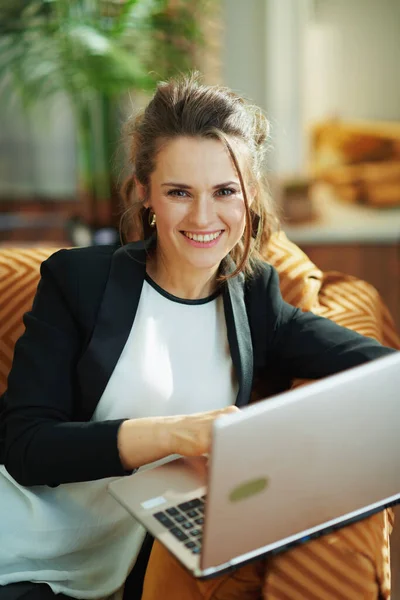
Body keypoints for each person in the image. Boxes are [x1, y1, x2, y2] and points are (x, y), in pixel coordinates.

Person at [0, 73, 396, 600]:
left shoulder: (257, 298)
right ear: (146, 193)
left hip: (118, 575)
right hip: (17, 548)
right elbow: (25, 446)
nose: (204, 217)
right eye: (179, 192)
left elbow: (380, 368)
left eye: (225, 191)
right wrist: (176, 434)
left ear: (250, 195)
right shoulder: (78, 281)